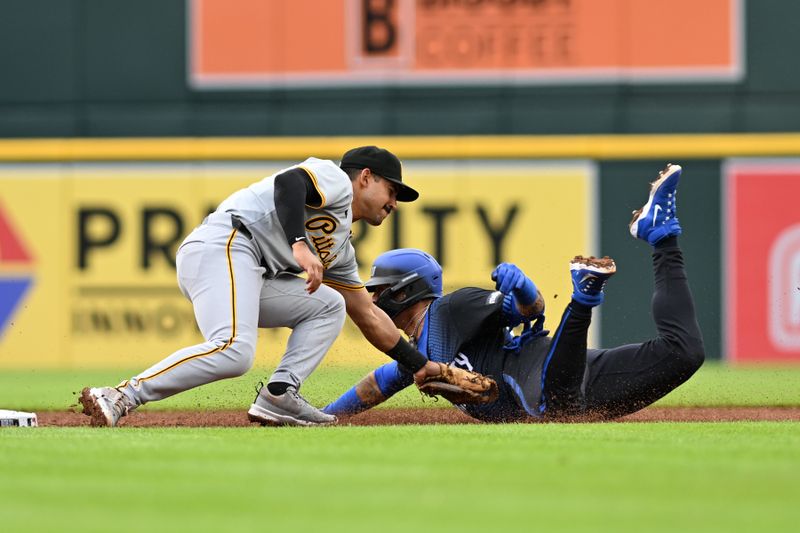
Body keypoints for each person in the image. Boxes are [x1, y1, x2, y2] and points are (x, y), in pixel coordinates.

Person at [80, 146, 443, 427]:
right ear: (366, 177)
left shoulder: (340, 248)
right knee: (234, 351)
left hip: (250, 268)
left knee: (330, 305)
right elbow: (289, 183)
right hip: (227, 242)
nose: (394, 202)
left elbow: (367, 314)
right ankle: (120, 396)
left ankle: (280, 395)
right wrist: (299, 243)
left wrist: (420, 365)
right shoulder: (334, 180)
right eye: (391, 190)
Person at [324, 163, 705, 422]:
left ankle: (585, 297)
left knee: (557, 404)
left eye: (381, 290)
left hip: (545, 380)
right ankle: (662, 235)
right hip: (568, 384)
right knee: (683, 355)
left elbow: (528, 309)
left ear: (405, 291)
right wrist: (324, 417)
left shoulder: (452, 309)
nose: (372, 299)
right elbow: (375, 385)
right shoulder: (413, 354)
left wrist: (522, 287)